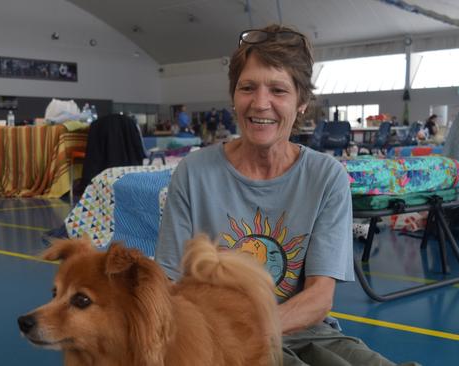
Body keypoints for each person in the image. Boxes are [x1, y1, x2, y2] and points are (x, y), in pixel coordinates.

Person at [155, 24, 417, 366]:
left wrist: (257, 331)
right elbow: (168, 284)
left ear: (302, 102)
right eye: (247, 87)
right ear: (234, 97)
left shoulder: (325, 177)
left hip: (306, 330)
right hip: (215, 337)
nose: (260, 103)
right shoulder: (193, 174)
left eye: (278, 90)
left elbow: (319, 297)